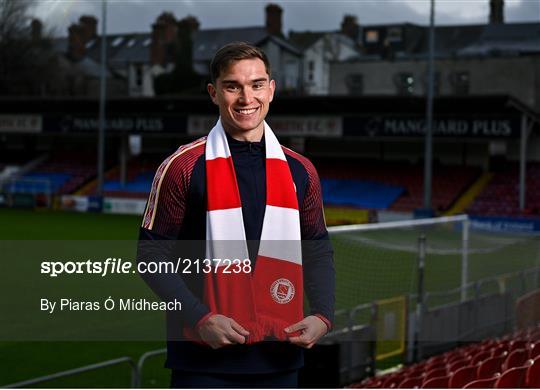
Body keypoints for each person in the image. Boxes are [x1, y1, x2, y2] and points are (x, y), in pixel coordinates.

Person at [137, 41, 335, 388]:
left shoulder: (301, 170)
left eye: (257, 84)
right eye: (233, 86)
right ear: (214, 93)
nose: (247, 98)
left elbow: (317, 248)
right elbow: (151, 256)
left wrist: (323, 314)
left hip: (280, 356)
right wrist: (200, 318)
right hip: (203, 360)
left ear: (271, 89)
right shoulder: (183, 166)